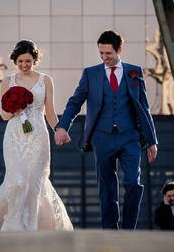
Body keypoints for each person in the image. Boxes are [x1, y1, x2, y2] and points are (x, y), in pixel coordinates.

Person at [55, 30, 157, 230]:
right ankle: (110, 229)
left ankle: (128, 230)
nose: (104, 58)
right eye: (101, 53)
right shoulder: (90, 74)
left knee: (132, 183)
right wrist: (62, 126)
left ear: (119, 49)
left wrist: (152, 140)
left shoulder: (134, 72)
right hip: (102, 138)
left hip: (130, 137)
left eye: (108, 53)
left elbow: (143, 107)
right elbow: (75, 102)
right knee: (106, 187)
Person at [0, 40, 73, 231]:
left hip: (38, 136)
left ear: (34, 60)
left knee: (35, 182)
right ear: (15, 60)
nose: (24, 65)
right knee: (16, 181)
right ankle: (11, 224)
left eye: (28, 61)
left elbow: (50, 112)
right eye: (20, 61)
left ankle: (35, 225)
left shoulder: (45, 80)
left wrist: (60, 130)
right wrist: (16, 110)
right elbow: (3, 115)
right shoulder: (7, 81)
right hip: (14, 136)